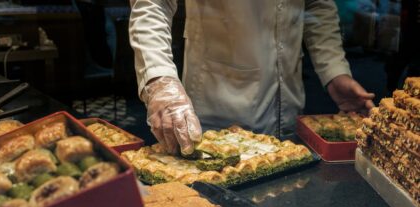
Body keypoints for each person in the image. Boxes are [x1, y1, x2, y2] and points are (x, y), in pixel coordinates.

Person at [129, 0, 375, 155]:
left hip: (290, 110)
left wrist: (333, 70)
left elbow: (316, 4)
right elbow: (152, 4)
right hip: (217, 109)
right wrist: (159, 80)